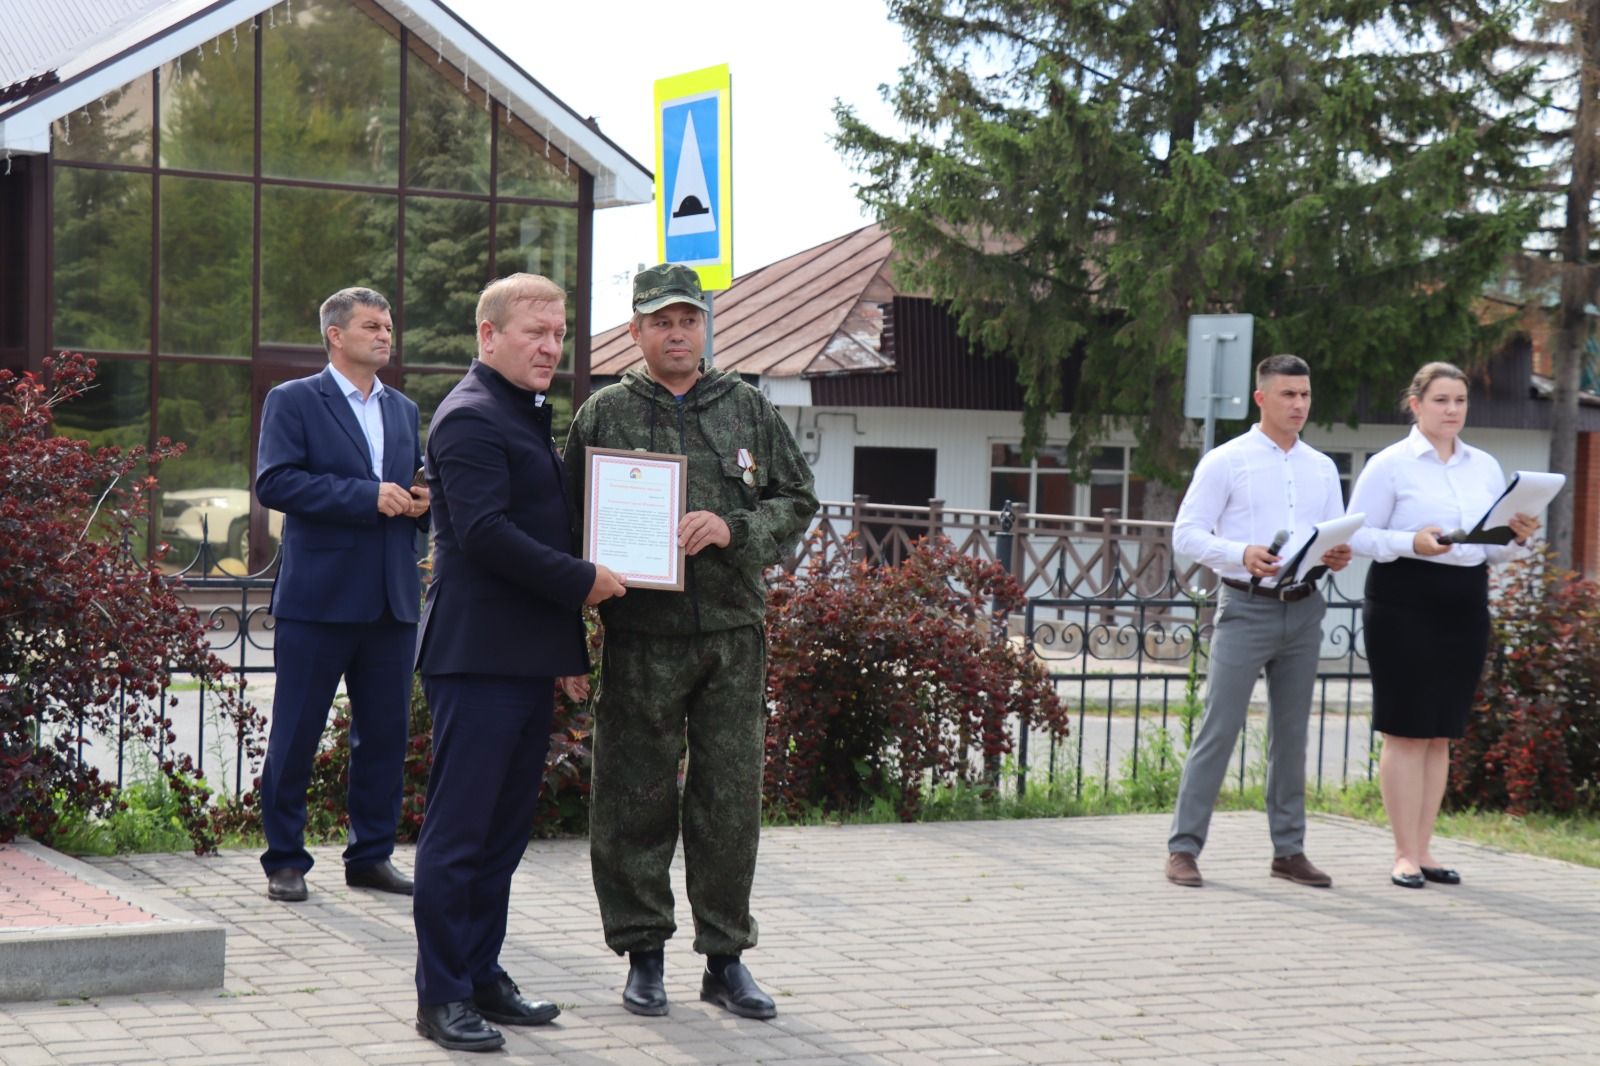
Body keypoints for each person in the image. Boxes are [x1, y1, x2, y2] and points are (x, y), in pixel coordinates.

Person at [565, 263, 818, 1020]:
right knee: (632, 797)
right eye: (661, 321)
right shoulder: (604, 415)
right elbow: (567, 526)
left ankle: (725, 958)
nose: (678, 333)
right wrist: (573, 630)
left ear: (704, 326)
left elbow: (798, 500)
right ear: (637, 330)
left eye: (689, 320)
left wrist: (734, 528)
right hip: (641, 635)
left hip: (733, 636)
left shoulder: (745, 408)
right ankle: (643, 954)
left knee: (728, 800)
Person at [410, 273, 626, 1053]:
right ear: (488, 335)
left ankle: (481, 974)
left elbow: (541, 523)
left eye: (560, 333)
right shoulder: (470, 418)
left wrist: (561, 649)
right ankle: (441, 995)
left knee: (501, 835)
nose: (551, 347)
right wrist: (585, 583)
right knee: (460, 833)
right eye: (535, 332)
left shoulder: (524, 415)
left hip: (522, 657)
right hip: (476, 660)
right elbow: (487, 536)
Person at [254, 287, 427, 904]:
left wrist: (420, 502)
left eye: (388, 326)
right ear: (335, 335)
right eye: (372, 326)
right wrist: (366, 497)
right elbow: (275, 481)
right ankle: (285, 860)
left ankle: (371, 856)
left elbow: (409, 487)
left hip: (390, 600)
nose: (385, 335)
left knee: (382, 735)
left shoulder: (403, 409)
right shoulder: (294, 400)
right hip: (318, 599)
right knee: (297, 732)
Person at [1166, 354, 1353, 889]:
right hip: (1245, 607)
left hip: (1305, 607)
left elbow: (1328, 536)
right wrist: (1239, 552)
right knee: (1218, 728)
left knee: (1291, 736)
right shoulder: (1228, 460)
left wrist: (1334, 556)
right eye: (1288, 394)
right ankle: (1183, 848)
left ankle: (1288, 851)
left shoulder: (1321, 467)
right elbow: (1187, 534)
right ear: (1261, 399)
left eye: (1305, 395)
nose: (1299, 404)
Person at [1348, 362, 1538, 889]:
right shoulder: (1390, 465)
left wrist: (1516, 536)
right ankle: (1403, 853)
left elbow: (1491, 553)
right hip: (1404, 600)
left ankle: (1426, 848)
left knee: (1440, 734)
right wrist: (1412, 541)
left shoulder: (1485, 466)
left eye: (1459, 401)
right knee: (1407, 730)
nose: (1452, 410)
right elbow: (1358, 538)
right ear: (1416, 405)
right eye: (1441, 400)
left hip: (1464, 603)